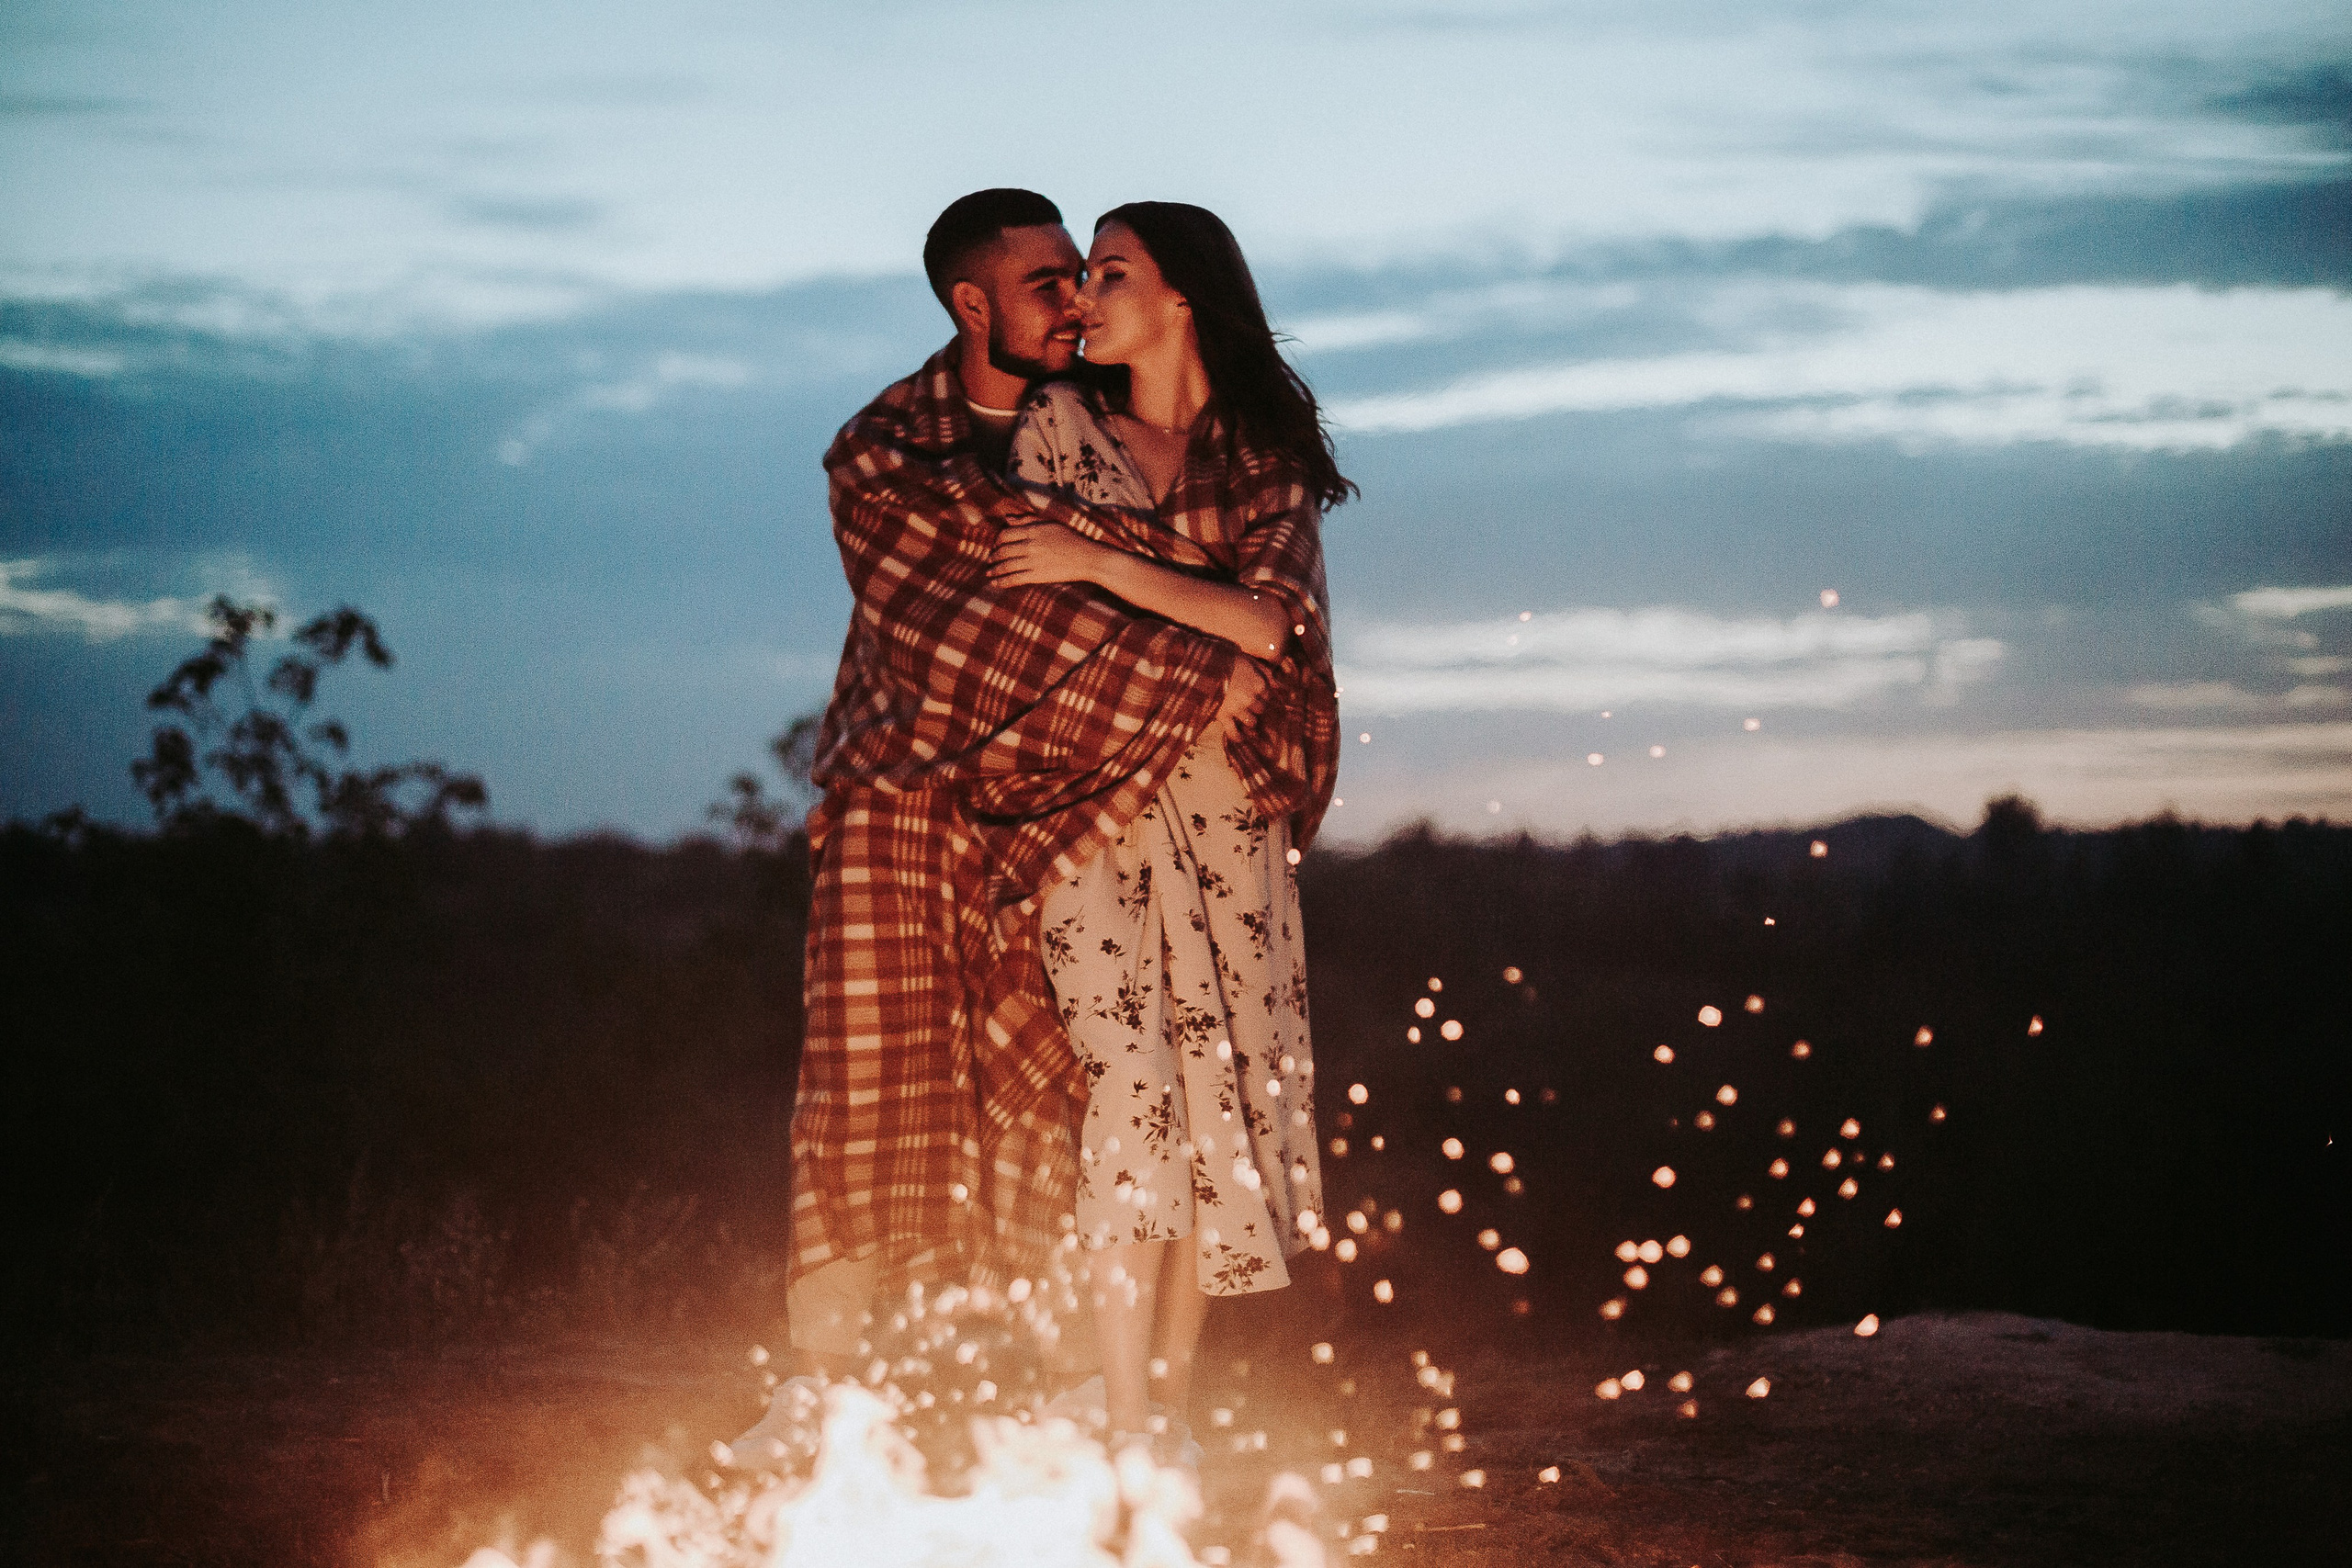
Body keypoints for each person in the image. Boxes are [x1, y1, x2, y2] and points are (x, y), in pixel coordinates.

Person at [773, 190, 1267, 1399]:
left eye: (1089, 277)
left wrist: (1208, 613)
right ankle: (827, 1388)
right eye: (1051, 282)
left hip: (1069, 810)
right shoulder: (885, 450)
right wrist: (1216, 668)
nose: (1078, 303)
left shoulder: (1099, 424)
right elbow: (985, 643)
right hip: (904, 798)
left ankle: (1034, 1375)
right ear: (970, 303)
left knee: (1059, 1087)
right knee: (867, 1087)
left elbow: (1181, 582)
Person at [986, 201, 1350, 1452]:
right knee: (1126, 1090)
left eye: (1112, 271)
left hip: (1231, 812)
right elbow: (1042, 634)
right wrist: (1195, 639)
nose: (1084, 294)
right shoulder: (1053, 430)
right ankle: (1121, 1415)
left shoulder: (1259, 452)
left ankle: (1167, 1414)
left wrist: (1106, 567)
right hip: (1094, 806)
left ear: (1183, 295)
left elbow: (1272, 625)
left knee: (1216, 1106)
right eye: (1082, 273)